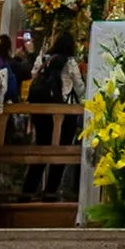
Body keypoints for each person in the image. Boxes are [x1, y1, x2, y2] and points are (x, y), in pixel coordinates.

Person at [23, 30, 84, 198]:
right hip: (64, 111)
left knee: (42, 147)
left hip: (42, 109)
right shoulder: (70, 63)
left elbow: (33, 74)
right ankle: (50, 191)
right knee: (62, 150)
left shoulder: (44, 58)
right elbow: (79, 87)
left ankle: (28, 190)